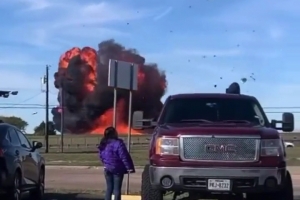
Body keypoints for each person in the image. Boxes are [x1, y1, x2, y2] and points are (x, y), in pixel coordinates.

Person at [98, 126, 135, 200]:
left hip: (107, 168)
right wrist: (129, 168)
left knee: (109, 189)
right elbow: (124, 156)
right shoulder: (118, 143)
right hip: (117, 169)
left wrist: (105, 164)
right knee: (117, 190)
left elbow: (101, 156)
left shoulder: (103, 143)